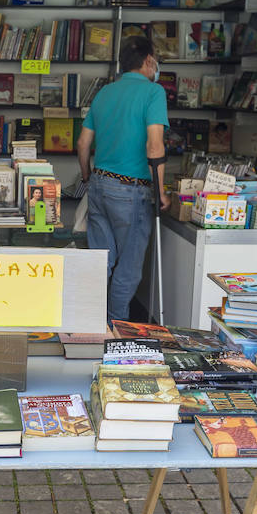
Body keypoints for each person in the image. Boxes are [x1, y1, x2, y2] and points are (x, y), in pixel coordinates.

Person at [76, 35, 170, 323]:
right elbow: (154, 147)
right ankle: (115, 330)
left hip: (100, 185)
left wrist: (87, 176)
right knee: (128, 269)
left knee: (100, 262)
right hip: (131, 190)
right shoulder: (154, 93)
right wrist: (162, 192)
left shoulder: (105, 93)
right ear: (149, 61)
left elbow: (82, 144)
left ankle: (88, 323)